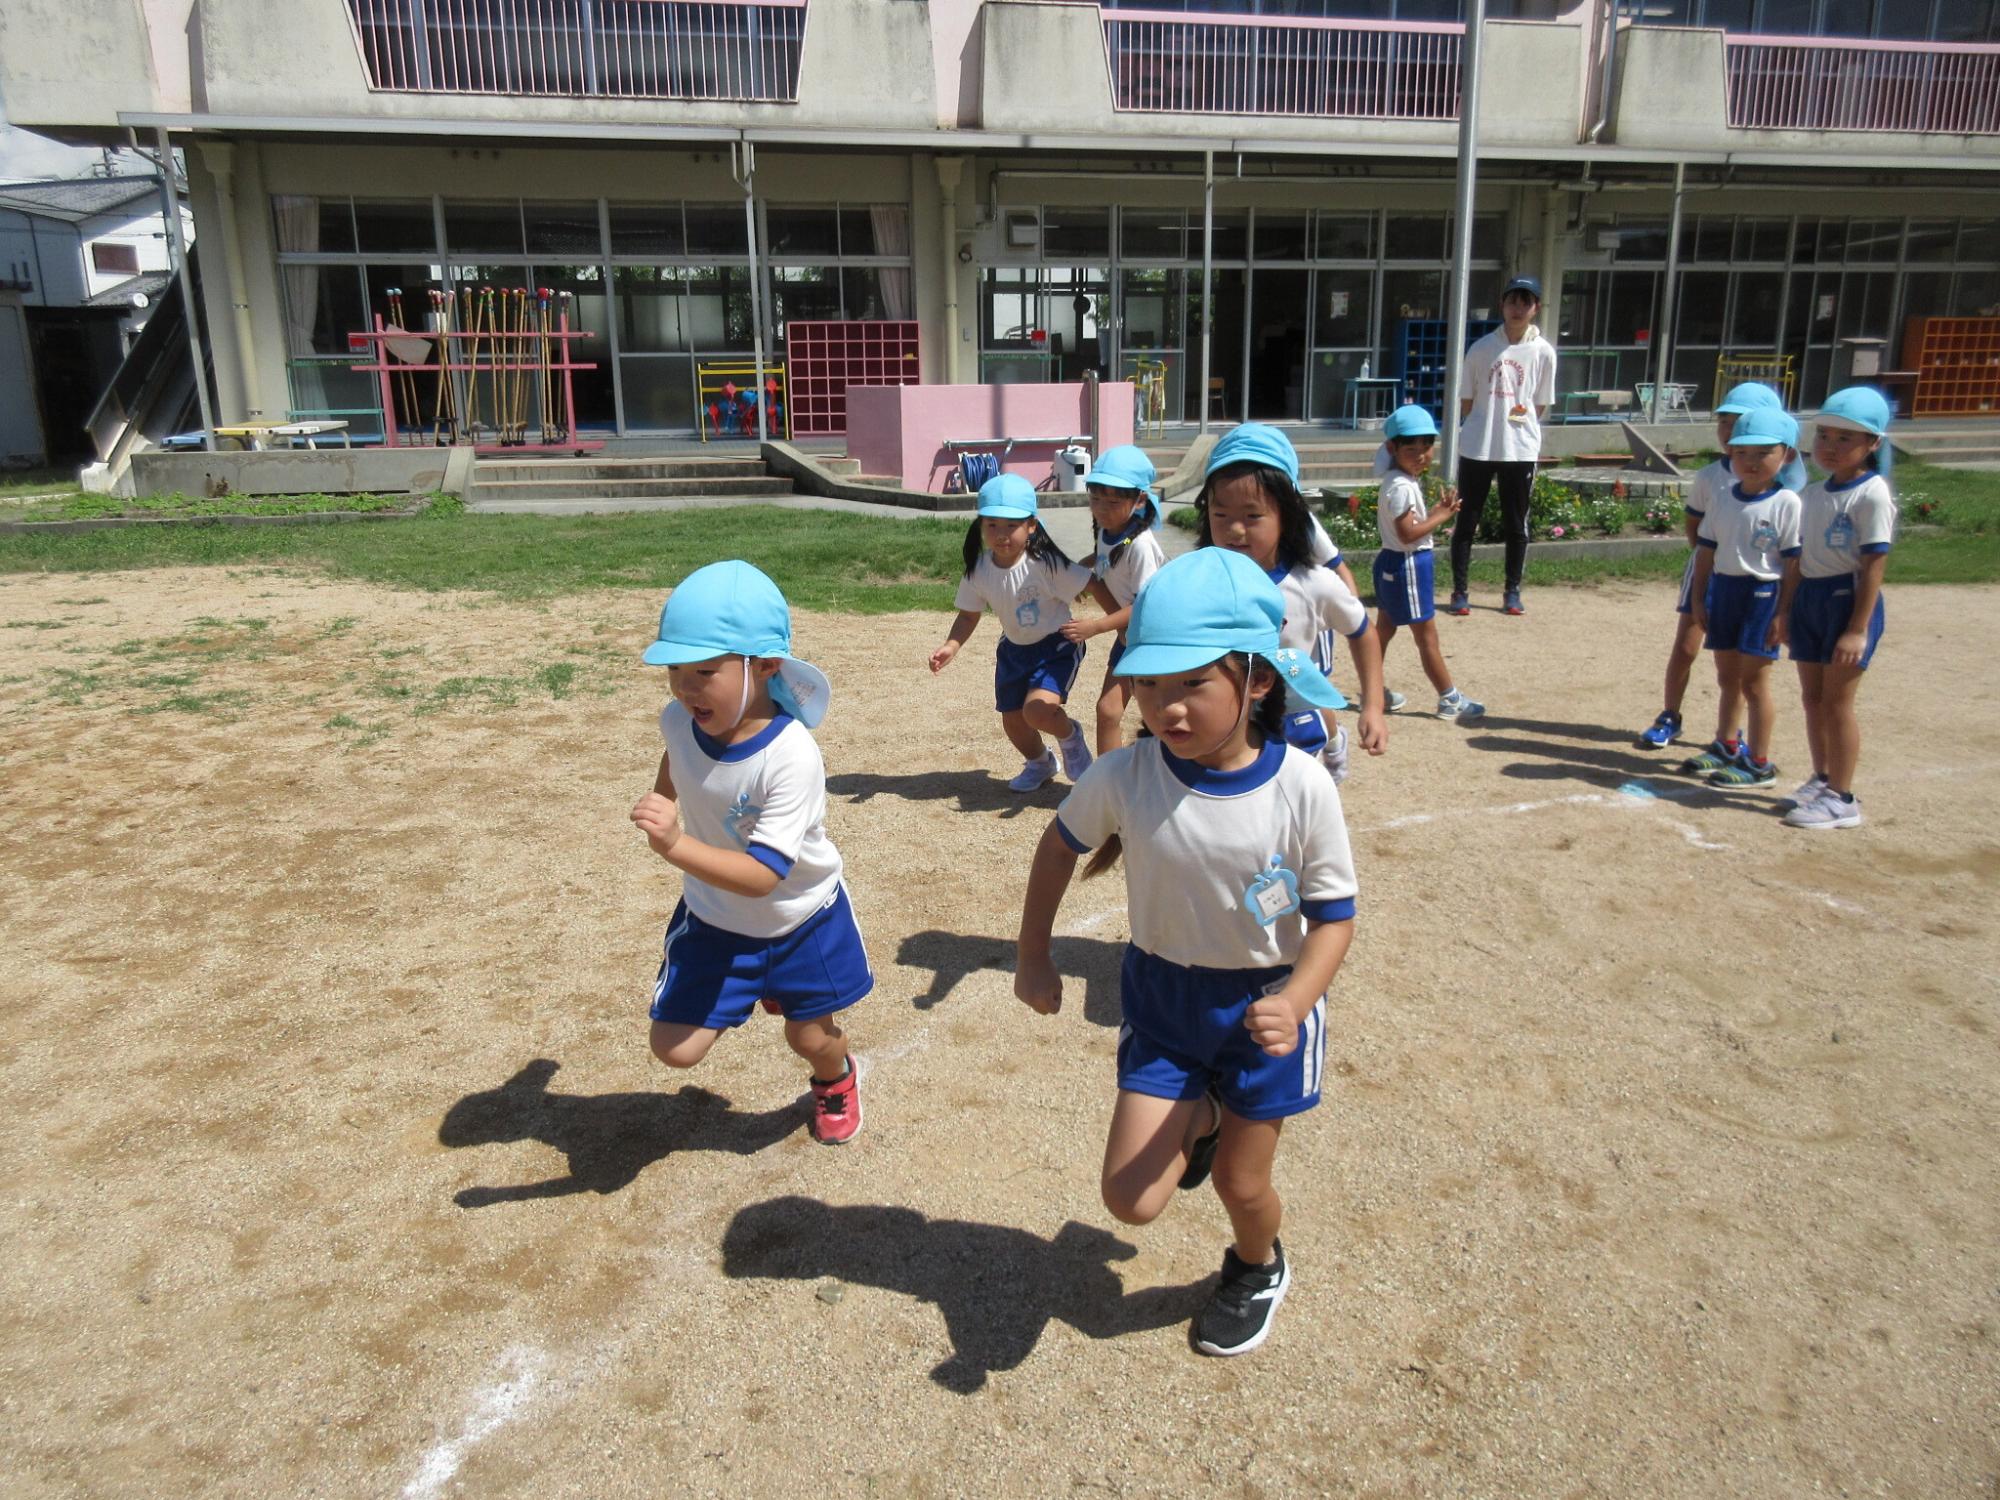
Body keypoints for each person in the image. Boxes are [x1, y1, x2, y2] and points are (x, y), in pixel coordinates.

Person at [1013, 547, 1359, 1358]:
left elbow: (1335, 918)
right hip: (1164, 1001)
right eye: (1151, 684)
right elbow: (1059, 847)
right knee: (1129, 1202)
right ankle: (1198, 1114)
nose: (1166, 708)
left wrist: (1297, 1001)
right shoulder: (1129, 774)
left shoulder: (1303, 786)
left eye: (1193, 685)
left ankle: (1255, 1263)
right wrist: (1033, 953)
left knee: (1243, 1184)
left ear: (1258, 680)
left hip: (1265, 1006)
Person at [630, 560, 871, 1145]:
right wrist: (664, 795)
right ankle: (751, 986)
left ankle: (836, 1079)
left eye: (705, 671)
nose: (686, 688)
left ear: (762, 666)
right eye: (676, 670)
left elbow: (765, 875)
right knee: (676, 1049)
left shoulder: (790, 756)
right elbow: (675, 753)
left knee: (810, 1038)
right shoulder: (679, 720)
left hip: (800, 918)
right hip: (717, 920)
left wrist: (675, 843)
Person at [1195, 423, 1387, 783]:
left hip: (1293, 691)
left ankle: (1332, 740)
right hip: (1230, 710)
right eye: (1221, 515)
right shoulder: (1199, 580)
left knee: (1295, 793)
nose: (1235, 529)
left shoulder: (1313, 585)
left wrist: (1373, 707)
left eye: (1252, 516)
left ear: (1288, 516)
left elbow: (1363, 632)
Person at [1637, 381, 1794, 749]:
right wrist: (1711, 564)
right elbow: (1695, 525)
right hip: (1710, 570)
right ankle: (1670, 715)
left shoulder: (1780, 486)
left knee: (1741, 663)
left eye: (1738, 422)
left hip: (1753, 582)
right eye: (1724, 422)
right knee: (1688, 646)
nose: (1728, 432)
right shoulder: (1711, 476)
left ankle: (1731, 734)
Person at [930, 473, 1096, 792]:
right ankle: (1040, 763)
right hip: (1014, 649)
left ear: (1031, 526)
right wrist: (952, 645)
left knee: (1037, 710)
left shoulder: (1046, 563)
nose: (1001, 534)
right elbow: (968, 615)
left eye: (1011, 525)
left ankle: (1070, 736)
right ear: (981, 526)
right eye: (992, 525)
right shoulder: (978, 569)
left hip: (1056, 645)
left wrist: (1116, 622)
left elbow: (1090, 583)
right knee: (1013, 720)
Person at [1783, 386, 1897, 830]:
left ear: (1873, 445)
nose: (1830, 447)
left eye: (1845, 438)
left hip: (1846, 601)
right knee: (1813, 699)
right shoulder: (1812, 494)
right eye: (1825, 435)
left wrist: (1857, 628)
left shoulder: (1870, 494)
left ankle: (1843, 798)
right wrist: (1786, 610)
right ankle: (1822, 778)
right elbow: (1798, 560)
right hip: (1811, 597)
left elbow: (1873, 565)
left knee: (1837, 703)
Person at [1680, 406, 1804, 789]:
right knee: (1726, 676)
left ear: (1786, 454)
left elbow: (1794, 563)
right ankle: (1726, 744)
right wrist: (1700, 598)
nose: (1750, 462)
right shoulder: (1723, 498)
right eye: (1742, 452)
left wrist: (1784, 613)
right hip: (1726, 590)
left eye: (1763, 453)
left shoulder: (1787, 504)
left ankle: (1759, 762)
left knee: (1755, 683)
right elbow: (1705, 551)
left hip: (1762, 594)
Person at [1448, 274, 1557, 618]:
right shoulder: (1481, 348)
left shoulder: (1543, 352)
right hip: (1478, 445)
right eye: (1513, 300)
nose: (1518, 308)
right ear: (1502, 305)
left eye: (1526, 301)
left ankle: (1512, 590)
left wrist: (1516, 426)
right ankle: (1460, 591)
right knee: (1467, 521)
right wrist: (1488, 419)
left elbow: (1540, 404)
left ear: (1536, 308)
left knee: (1516, 523)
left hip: (1520, 450)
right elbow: (1467, 401)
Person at [1369, 406, 1487, 720]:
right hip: (1408, 565)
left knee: (1384, 630)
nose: (1421, 455)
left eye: (1426, 448)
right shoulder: (1402, 486)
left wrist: (1434, 512)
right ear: (1393, 448)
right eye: (1412, 449)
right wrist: (1441, 516)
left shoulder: (1396, 480)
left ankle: (1373, 692)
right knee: (1427, 637)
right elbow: (1407, 534)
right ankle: (1449, 698)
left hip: (1391, 563)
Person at [1060, 444, 1168, 753]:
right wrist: (1086, 564)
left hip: (1155, 641)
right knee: (1108, 712)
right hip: (1129, 637)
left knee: (1163, 715)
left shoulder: (1142, 546)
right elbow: (1105, 554)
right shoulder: (1109, 529)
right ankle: (1108, 784)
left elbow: (1145, 607)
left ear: (1139, 500)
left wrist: (1096, 626)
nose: (1102, 509)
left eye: (1112, 501)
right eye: (1095, 499)